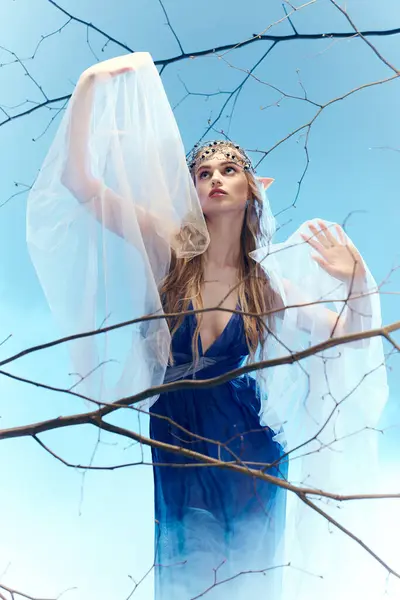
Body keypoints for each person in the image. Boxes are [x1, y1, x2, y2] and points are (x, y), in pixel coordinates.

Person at [27, 52, 388, 600]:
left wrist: (358, 279)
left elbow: (343, 336)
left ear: (252, 188)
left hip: (252, 452)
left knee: (247, 581)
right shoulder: (173, 249)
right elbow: (81, 184)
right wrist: (89, 84)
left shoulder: (266, 287)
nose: (215, 178)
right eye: (203, 172)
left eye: (229, 169)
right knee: (186, 575)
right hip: (177, 434)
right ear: (191, 189)